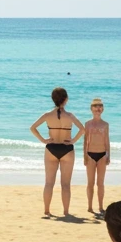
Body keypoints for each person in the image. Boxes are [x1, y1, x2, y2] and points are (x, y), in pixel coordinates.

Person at [30, 87, 85, 218]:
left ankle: (47, 211)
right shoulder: (70, 116)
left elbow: (32, 128)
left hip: (51, 148)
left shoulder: (47, 115)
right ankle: (66, 212)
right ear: (66, 99)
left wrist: (44, 140)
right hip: (67, 149)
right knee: (65, 184)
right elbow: (82, 129)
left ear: (53, 99)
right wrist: (72, 141)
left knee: (49, 182)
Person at [83, 99, 111, 217]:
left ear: (102, 109)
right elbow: (85, 140)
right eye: (95, 106)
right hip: (90, 154)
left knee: (100, 183)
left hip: (102, 155)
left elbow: (107, 140)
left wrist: (108, 154)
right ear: (91, 109)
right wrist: (84, 155)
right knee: (90, 183)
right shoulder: (88, 124)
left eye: (100, 106)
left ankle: (100, 206)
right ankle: (90, 206)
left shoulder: (105, 124)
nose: (97, 108)